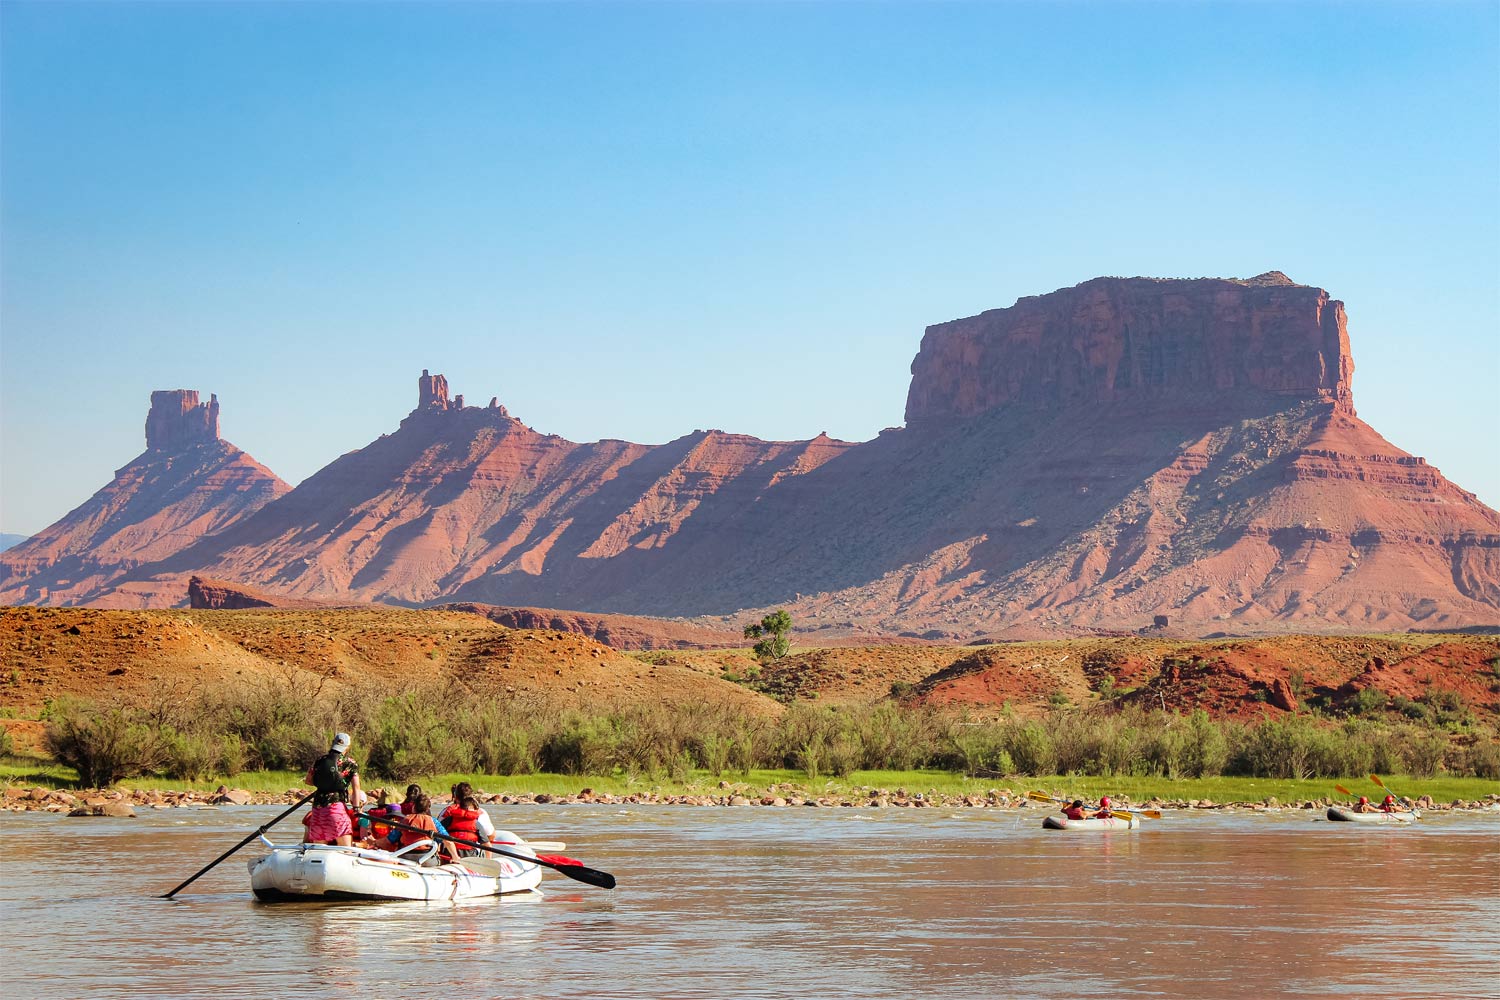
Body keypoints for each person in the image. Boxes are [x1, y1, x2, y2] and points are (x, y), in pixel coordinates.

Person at [304, 732, 361, 847]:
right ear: (348, 747)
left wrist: (324, 783)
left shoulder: (319, 760)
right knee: (346, 850)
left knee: (319, 850)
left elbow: (308, 780)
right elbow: (356, 787)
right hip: (336, 809)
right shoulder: (350, 763)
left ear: (333, 744)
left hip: (317, 809)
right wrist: (356, 808)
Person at [396, 793, 440, 865]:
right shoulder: (434, 821)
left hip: (405, 858)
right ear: (427, 809)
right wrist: (455, 856)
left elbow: (391, 839)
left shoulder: (405, 820)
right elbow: (446, 840)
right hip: (427, 858)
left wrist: (376, 843)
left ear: (414, 807)